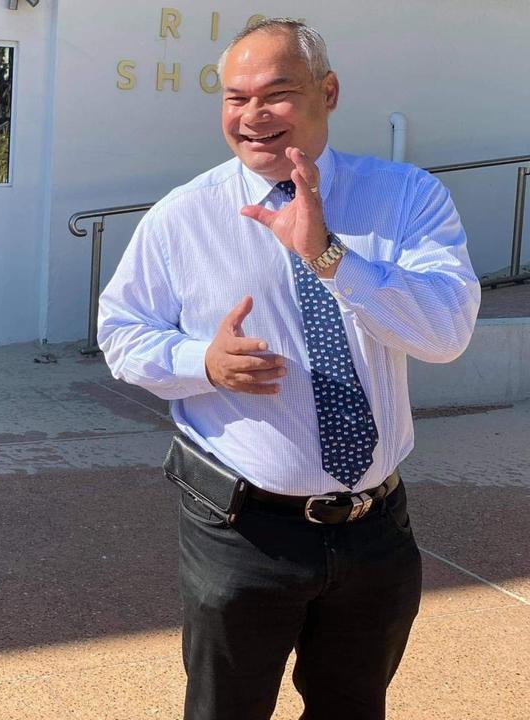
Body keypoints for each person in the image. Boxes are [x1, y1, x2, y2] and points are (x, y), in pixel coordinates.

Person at [96, 19, 478, 720]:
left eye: (277, 94)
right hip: (242, 532)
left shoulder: (405, 198)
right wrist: (199, 360)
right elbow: (120, 333)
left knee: (352, 707)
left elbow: (446, 332)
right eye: (234, 99)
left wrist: (330, 255)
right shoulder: (182, 218)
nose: (253, 117)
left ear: (327, 93)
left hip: (375, 530)